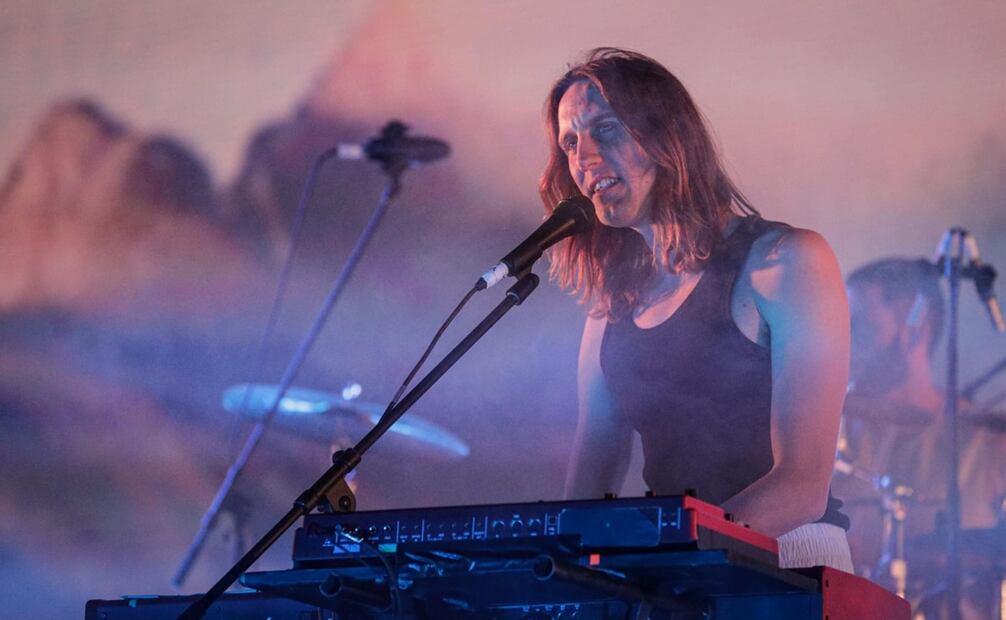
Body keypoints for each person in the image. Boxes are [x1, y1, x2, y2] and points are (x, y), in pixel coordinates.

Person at [540, 48, 853, 571]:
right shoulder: (609, 310)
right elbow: (588, 488)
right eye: (570, 142)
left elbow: (802, 485)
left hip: (792, 561)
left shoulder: (786, 262)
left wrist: (670, 558)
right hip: (674, 574)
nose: (584, 158)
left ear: (669, 136)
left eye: (607, 130)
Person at [837, 257, 1006, 618]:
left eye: (863, 326)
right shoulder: (837, 427)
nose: (848, 340)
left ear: (918, 327)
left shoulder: (986, 440)